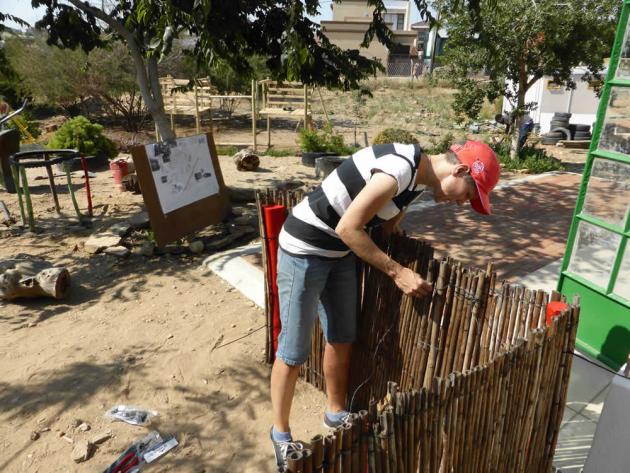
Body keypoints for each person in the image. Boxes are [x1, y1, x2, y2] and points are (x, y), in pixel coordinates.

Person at [270, 140, 501, 468]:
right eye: (469, 193)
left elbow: (384, 222)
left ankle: (335, 412)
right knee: (293, 351)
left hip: (338, 252)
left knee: (342, 335)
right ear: (460, 170)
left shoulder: (419, 181)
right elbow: (348, 228)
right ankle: (280, 435)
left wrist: (399, 236)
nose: (464, 203)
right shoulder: (400, 169)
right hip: (305, 249)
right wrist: (397, 271)